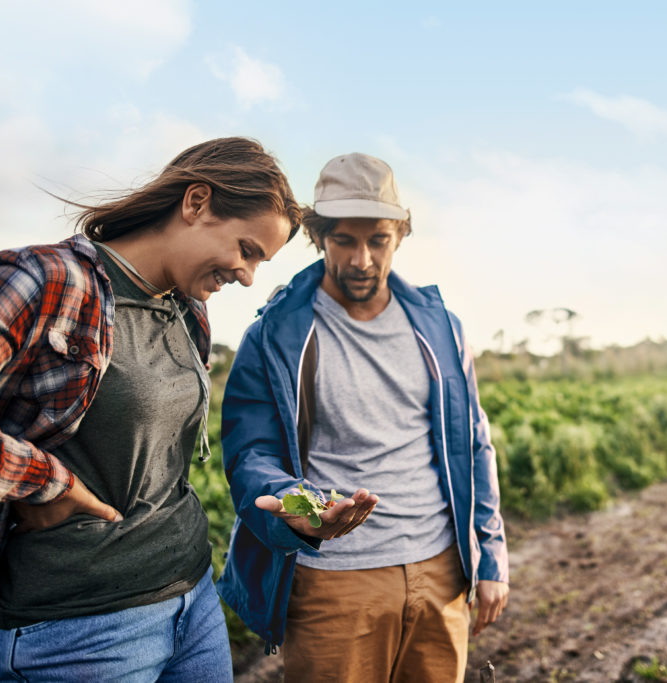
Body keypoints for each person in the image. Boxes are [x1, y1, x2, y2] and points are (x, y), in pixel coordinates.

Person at [0, 136, 302, 682]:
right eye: (247, 249)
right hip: (72, 632)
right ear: (196, 202)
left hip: (192, 601)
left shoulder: (190, 313)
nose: (249, 275)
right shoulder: (47, 280)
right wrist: (45, 481)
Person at [217, 152, 510, 681]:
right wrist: (293, 504)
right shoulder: (275, 334)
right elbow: (250, 454)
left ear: (399, 235)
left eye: (377, 240)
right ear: (318, 237)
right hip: (333, 581)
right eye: (344, 240)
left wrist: (488, 557)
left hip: (441, 570)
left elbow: (474, 442)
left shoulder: (440, 326)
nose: (362, 260)